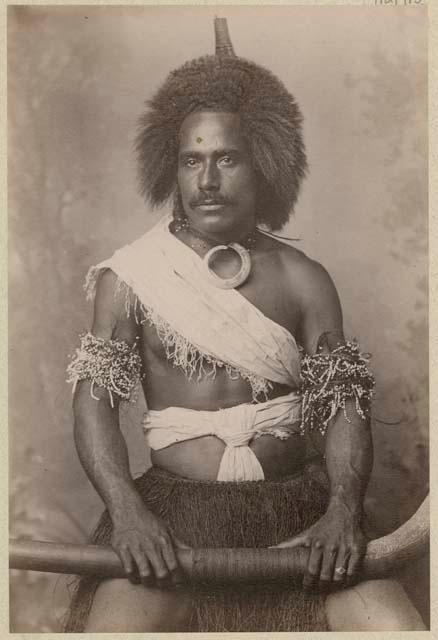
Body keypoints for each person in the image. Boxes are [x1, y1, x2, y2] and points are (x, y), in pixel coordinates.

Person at [64, 18, 425, 633]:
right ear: (172, 172)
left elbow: (343, 409)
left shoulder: (305, 278)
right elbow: (94, 406)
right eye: (191, 161)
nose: (207, 180)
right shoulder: (130, 278)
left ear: (261, 166)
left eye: (226, 159)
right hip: (173, 525)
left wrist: (342, 511)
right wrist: (127, 511)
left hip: (300, 519)